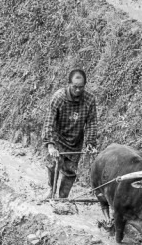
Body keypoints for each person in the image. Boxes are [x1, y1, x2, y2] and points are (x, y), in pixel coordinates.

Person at [41, 68, 99, 198]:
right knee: (53, 165)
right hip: (58, 138)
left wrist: (90, 142)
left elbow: (91, 123)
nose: (78, 90)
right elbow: (49, 121)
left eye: (81, 87)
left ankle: (63, 197)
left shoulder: (89, 100)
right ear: (69, 84)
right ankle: (51, 190)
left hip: (75, 141)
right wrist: (50, 144)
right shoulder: (59, 98)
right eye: (75, 87)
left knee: (70, 171)